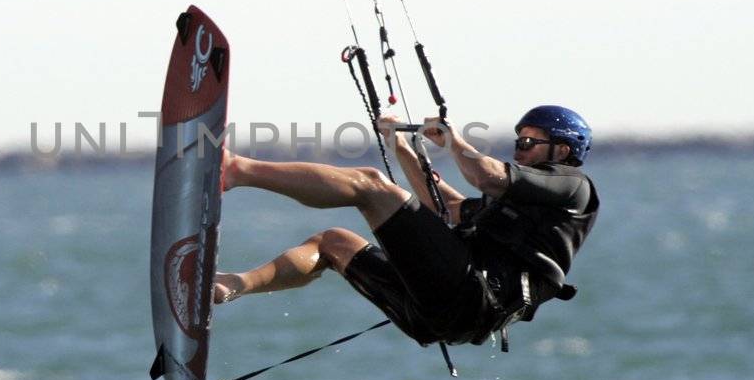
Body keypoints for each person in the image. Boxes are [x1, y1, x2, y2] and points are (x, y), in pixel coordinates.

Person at [214, 107, 598, 349]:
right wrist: (401, 144)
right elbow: (446, 206)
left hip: (474, 295)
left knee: (369, 184)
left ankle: (234, 170)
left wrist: (453, 140)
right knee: (333, 243)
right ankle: (233, 286)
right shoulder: (521, 206)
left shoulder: (571, 185)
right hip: (444, 316)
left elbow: (486, 175)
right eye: (518, 140)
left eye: (529, 142)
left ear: (561, 151)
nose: (519, 149)